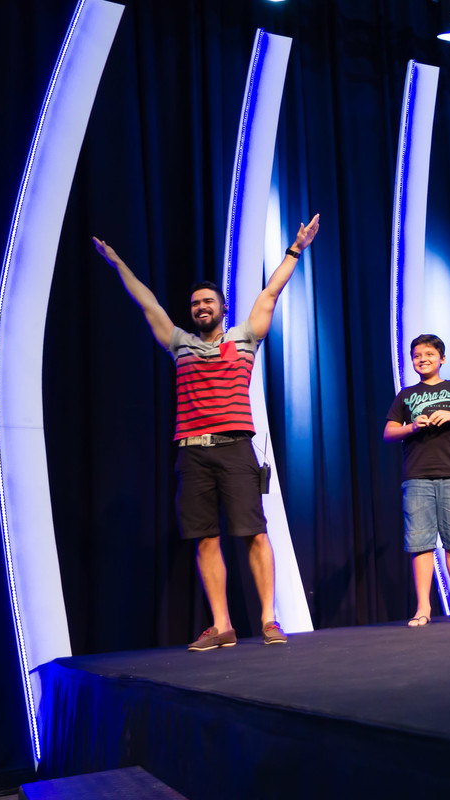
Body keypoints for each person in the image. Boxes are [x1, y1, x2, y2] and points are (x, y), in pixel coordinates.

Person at [92, 213, 320, 648]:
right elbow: (148, 304)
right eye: (196, 303)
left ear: (222, 308)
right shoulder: (180, 343)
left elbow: (271, 292)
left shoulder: (244, 338)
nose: (201, 308)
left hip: (235, 448)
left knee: (255, 532)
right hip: (192, 452)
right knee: (205, 538)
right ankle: (222, 625)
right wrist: (118, 264)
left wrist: (296, 249)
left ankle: (269, 620)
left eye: (208, 302)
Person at [384, 334, 450, 626]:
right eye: (417, 355)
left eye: (429, 354)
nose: (423, 359)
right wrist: (411, 427)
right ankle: (423, 608)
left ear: (442, 358)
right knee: (421, 543)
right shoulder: (406, 395)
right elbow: (389, 433)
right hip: (417, 476)